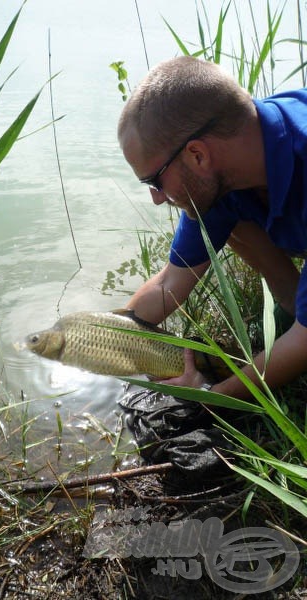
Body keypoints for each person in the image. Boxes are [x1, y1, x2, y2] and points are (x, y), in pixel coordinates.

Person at [118, 55, 307, 400]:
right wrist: (100, 337)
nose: (157, 199)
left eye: (154, 181)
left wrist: (212, 394)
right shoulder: (235, 156)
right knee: (222, 220)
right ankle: (294, 306)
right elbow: (170, 280)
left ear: (197, 155)